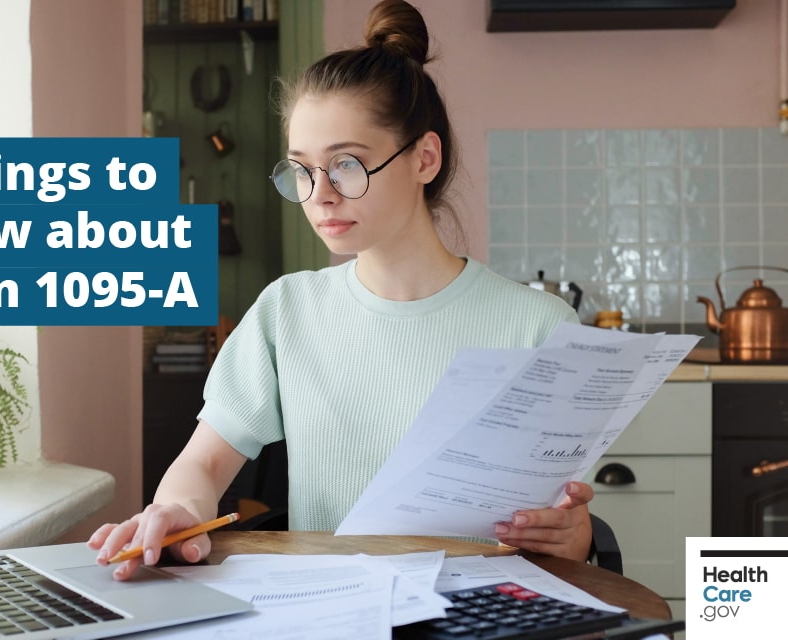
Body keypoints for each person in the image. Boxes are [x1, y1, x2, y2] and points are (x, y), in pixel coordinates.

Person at [89, 0, 593, 580]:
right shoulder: (287, 312)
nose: (320, 194)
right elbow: (203, 463)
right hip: (329, 611)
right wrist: (176, 509)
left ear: (424, 158)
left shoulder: (540, 327)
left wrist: (572, 535)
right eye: (301, 169)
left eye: (347, 164)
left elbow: (564, 532)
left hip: (484, 610)